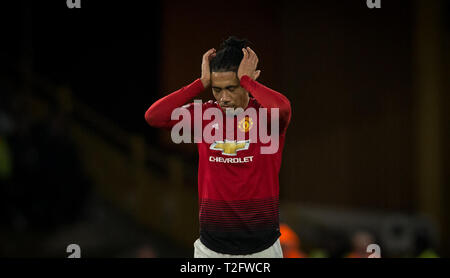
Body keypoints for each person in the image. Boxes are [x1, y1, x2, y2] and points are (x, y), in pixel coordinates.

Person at [145, 36, 291, 258]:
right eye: (216, 89)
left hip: (263, 250)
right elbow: (154, 116)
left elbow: (283, 108)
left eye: (232, 88)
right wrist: (200, 83)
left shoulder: (267, 117)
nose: (224, 98)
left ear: (250, 80)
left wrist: (248, 82)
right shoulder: (203, 115)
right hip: (210, 250)